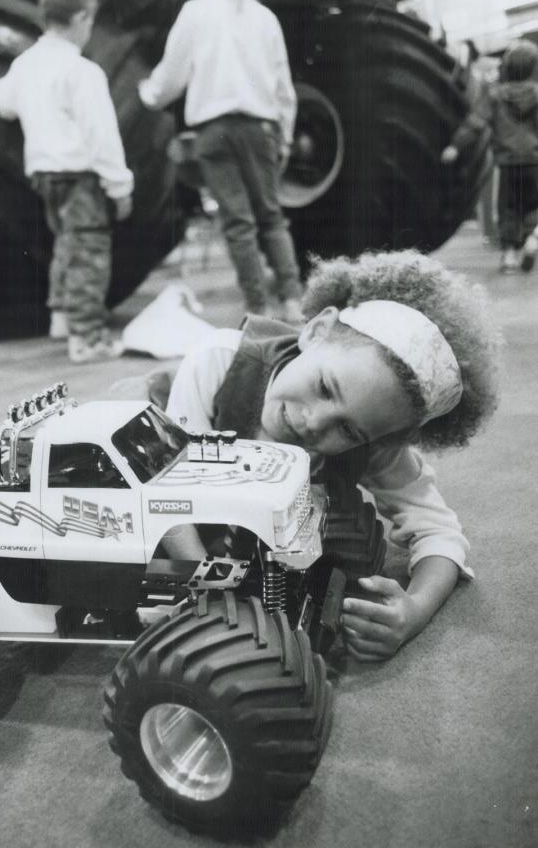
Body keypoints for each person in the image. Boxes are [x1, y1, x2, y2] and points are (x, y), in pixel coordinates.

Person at [161, 249, 500, 661]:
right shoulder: (219, 362)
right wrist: (210, 591)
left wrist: (414, 610)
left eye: (348, 430)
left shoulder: (376, 442)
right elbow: (165, 495)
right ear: (317, 329)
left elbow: (441, 532)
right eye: (325, 386)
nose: (312, 422)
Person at [138, 0, 304, 322]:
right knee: (271, 215)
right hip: (262, 127)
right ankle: (294, 299)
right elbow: (283, 85)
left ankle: (257, 306)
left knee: (238, 222)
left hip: (214, 132)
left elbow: (172, 76)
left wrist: (149, 94)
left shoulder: (194, 14)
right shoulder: (264, 16)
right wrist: (286, 133)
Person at [0, 0, 133, 363]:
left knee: (66, 245)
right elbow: (101, 135)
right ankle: (87, 338)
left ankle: (60, 319)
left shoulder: (25, 65)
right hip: (80, 174)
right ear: (82, 17)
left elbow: (1, 101)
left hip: (43, 173)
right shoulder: (82, 71)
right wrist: (120, 187)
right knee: (88, 251)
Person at [442, 38, 538, 273]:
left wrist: (455, 146)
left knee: (508, 208)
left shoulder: (495, 96)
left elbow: (476, 122)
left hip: (506, 164)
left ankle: (508, 257)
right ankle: (533, 237)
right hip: (535, 162)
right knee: (534, 205)